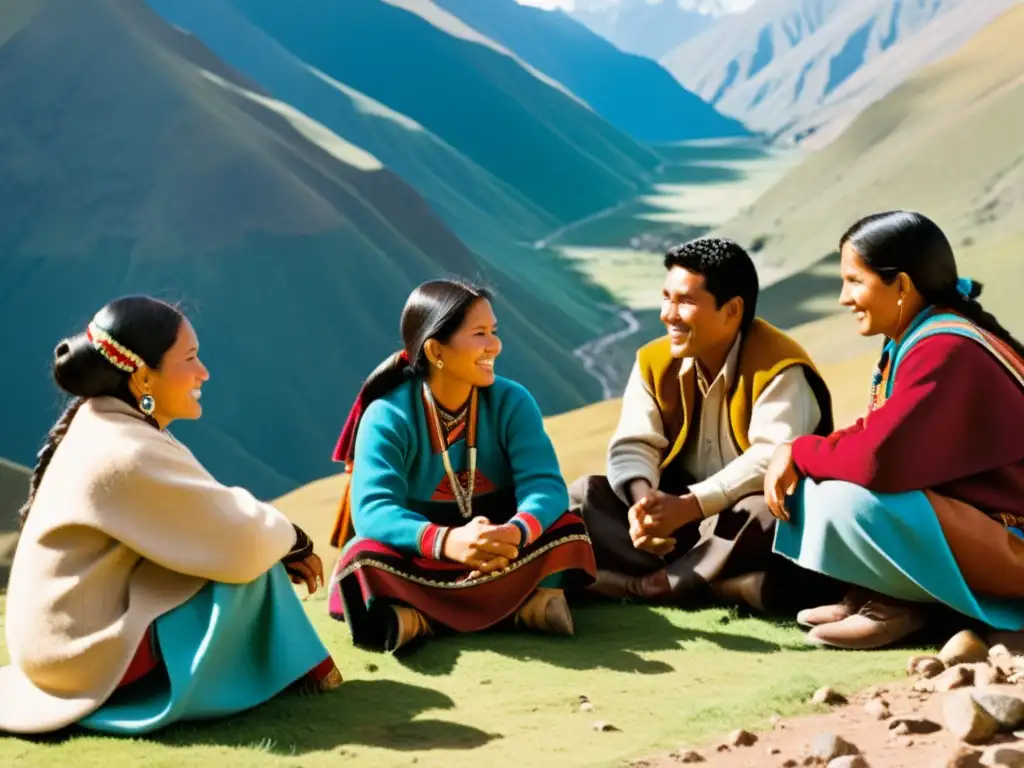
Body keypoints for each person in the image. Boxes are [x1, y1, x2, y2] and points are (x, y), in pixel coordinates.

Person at [0, 296, 341, 736]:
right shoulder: (124, 449)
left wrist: (276, 538)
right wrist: (292, 539)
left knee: (234, 551)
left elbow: (211, 515)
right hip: (76, 657)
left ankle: (301, 670)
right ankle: (308, 672)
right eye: (190, 359)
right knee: (246, 571)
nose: (204, 373)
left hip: (54, 646)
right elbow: (237, 537)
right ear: (142, 376)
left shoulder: (106, 423)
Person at [766, 211, 1024, 649]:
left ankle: (902, 605)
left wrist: (797, 451)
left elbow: (878, 459)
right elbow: (880, 433)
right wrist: (797, 452)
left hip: (1013, 545)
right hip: (989, 531)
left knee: (846, 500)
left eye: (854, 280)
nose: (844, 297)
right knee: (823, 484)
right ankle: (882, 594)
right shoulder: (920, 337)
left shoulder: (945, 348)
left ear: (901, 285)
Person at [571, 237, 840, 613]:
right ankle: (724, 588)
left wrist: (693, 505)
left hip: (736, 526)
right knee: (586, 495)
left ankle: (649, 584)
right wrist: (643, 504)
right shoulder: (654, 360)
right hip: (679, 525)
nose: (668, 314)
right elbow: (634, 442)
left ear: (731, 310)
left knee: (763, 513)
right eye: (667, 297)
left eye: (685, 301)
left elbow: (771, 458)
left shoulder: (780, 369)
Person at [326, 279, 596, 653]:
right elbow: (373, 511)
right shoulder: (387, 415)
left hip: (503, 549)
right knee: (365, 558)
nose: (495, 346)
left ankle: (419, 619)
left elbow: (546, 487)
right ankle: (524, 608)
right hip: (422, 556)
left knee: (568, 529)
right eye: (480, 333)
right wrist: (449, 542)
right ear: (436, 349)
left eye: (494, 332)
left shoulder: (512, 401)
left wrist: (515, 533)